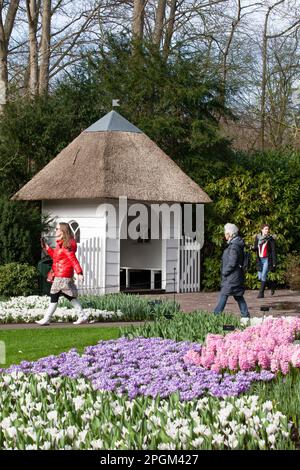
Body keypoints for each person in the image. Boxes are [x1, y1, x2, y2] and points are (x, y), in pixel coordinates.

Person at [36, 222, 88, 325]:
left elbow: (73, 259)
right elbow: (55, 257)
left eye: (57, 229)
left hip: (62, 275)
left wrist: (79, 272)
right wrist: (47, 248)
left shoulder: (66, 245)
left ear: (63, 231)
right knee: (69, 296)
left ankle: (46, 319)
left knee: (54, 296)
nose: (55, 230)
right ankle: (83, 316)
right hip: (60, 274)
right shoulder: (60, 244)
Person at [214, 223, 250, 323]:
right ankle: (245, 315)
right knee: (238, 296)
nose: (224, 235)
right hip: (235, 276)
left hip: (231, 277)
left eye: (226, 233)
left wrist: (225, 272)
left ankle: (215, 315)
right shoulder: (236, 244)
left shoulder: (234, 246)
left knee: (224, 295)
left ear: (230, 234)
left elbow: (232, 262)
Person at [253, 223, 276, 298]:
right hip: (259, 259)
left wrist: (274, 262)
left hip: (267, 259)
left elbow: (273, 250)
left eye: (268, 229)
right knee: (260, 277)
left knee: (263, 276)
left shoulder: (270, 238)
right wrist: (252, 248)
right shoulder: (258, 237)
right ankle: (272, 284)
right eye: (265, 229)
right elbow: (255, 247)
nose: (267, 230)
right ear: (262, 230)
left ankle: (261, 293)